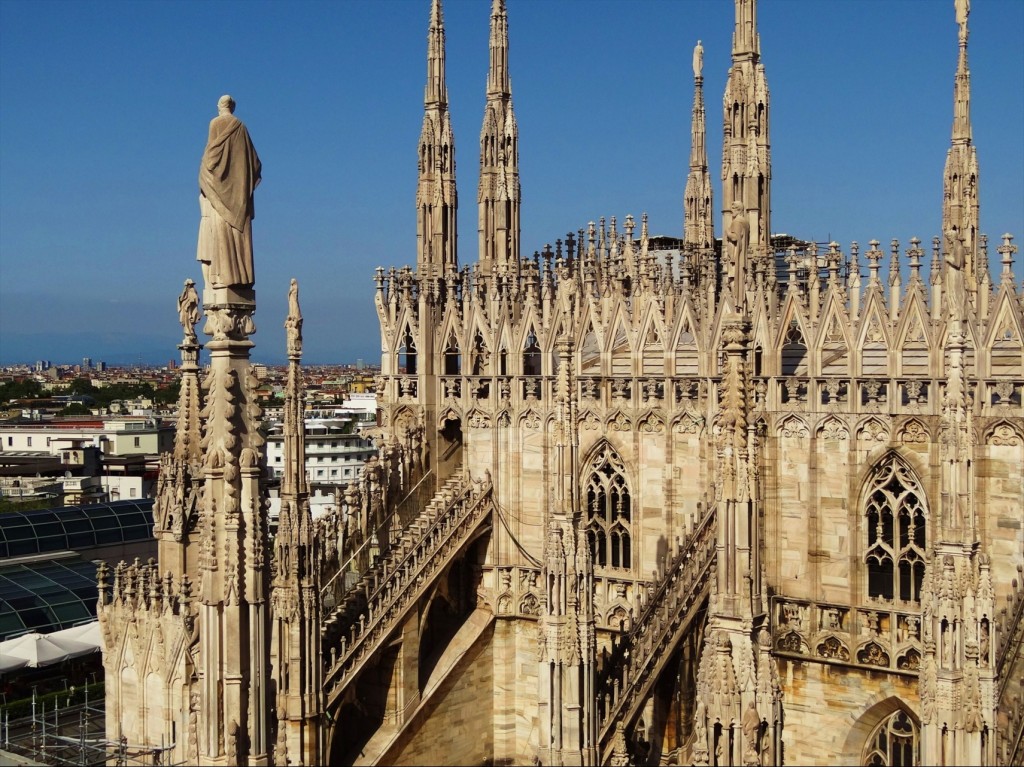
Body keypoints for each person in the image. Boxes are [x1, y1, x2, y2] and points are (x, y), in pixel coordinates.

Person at [197, 95, 261, 290]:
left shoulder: (216, 123)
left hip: (219, 192)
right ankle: (241, 278)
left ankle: (223, 277)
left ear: (219, 107)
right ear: (232, 107)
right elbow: (255, 164)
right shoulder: (242, 127)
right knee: (237, 236)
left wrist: (205, 175)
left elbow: (211, 158)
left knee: (222, 236)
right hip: (239, 196)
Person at [726, 201, 750, 305]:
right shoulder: (745, 222)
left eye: (733, 209)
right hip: (740, 257)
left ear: (738, 210)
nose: (732, 212)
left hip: (735, 258)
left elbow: (735, 238)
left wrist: (727, 232)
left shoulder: (737, 222)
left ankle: (737, 304)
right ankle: (741, 305)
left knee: (733, 281)